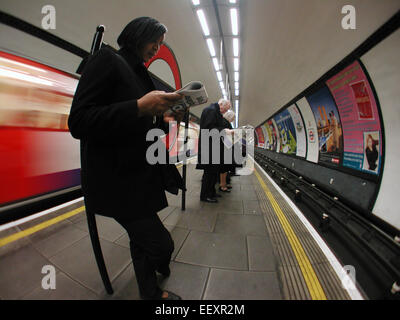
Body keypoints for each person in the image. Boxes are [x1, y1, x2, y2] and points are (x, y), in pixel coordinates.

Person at [68, 17, 184, 300]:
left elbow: (144, 129)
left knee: (140, 241)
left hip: (139, 176)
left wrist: (165, 117)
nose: (156, 48)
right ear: (137, 35)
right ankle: (158, 271)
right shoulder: (107, 60)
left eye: (160, 44)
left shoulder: (139, 74)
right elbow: (79, 121)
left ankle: (150, 293)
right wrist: (137, 107)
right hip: (117, 180)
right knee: (161, 245)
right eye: (153, 41)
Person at [197, 99, 231, 203]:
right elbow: (209, 129)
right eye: (225, 110)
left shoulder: (216, 112)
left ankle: (211, 192)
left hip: (213, 147)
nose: (225, 112)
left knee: (213, 172)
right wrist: (224, 130)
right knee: (209, 173)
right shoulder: (210, 111)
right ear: (221, 105)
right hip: (209, 148)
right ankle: (205, 196)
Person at [219, 110, 235, 191]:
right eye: (233, 118)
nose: (233, 119)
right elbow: (224, 135)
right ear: (229, 117)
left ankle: (224, 184)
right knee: (223, 169)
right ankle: (223, 186)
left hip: (224, 147)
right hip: (224, 148)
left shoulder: (224, 122)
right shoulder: (224, 123)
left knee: (224, 169)